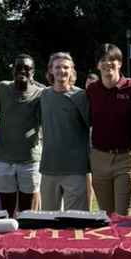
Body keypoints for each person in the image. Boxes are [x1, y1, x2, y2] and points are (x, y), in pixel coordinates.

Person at [86, 43, 131, 215]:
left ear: (120, 63)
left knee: (124, 212)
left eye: (112, 59)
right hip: (99, 158)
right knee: (105, 213)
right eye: (103, 60)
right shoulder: (92, 90)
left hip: (127, 159)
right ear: (98, 65)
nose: (107, 63)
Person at [0, 54, 43, 216]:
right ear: (12, 69)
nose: (22, 71)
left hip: (30, 160)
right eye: (18, 67)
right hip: (4, 160)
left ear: (33, 72)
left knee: (29, 215)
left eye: (26, 68)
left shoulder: (40, 94)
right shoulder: (2, 88)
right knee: (7, 214)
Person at [39, 52, 90, 211]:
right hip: (49, 168)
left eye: (66, 67)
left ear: (72, 71)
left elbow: (93, 125)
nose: (62, 71)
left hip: (75, 169)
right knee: (47, 220)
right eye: (58, 67)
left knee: (74, 220)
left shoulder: (80, 96)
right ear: (51, 70)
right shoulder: (44, 95)